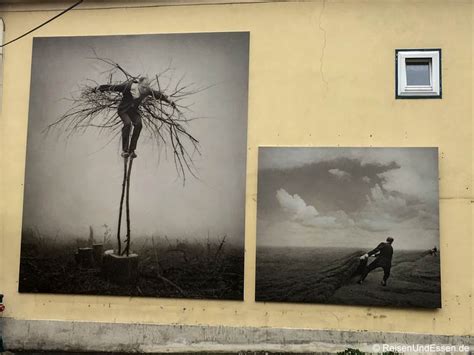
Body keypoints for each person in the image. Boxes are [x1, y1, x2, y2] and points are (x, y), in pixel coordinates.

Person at [96, 76, 176, 158]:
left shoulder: (147, 90)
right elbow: (114, 87)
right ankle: (125, 150)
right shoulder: (128, 86)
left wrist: (169, 101)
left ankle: (132, 150)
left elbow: (158, 95)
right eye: (143, 87)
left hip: (133, 111)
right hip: (123, 110)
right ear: (139, 84)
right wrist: (99, 88)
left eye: (146, 87)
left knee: (139, 125)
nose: (144, 89)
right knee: (128, 124)